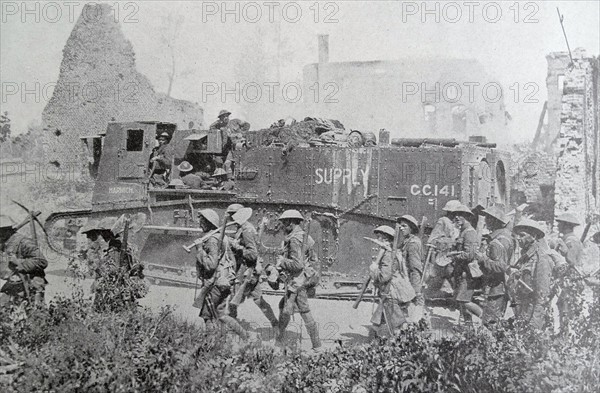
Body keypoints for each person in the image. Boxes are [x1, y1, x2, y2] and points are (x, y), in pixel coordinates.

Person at [194, 209, 249, 340]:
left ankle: (210, 344)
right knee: (221, 314)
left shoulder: (212, 240)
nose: (199, 223)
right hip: (224, 282)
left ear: (208, 223)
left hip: (215, 283)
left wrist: (200, 250)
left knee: (207, 315)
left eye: (201, 221)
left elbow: (211, 265)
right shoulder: (222, 238)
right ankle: (244, 335)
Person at [274, 209, 321, 350]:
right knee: (285, 307)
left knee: (303, 311)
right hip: (302, 280)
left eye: (284, 222)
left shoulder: (294, 239)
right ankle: (279, 341)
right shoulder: (302, 236)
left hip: (297, 281)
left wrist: (282, 261)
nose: (282, 225)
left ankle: (317, 345)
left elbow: (297, 264)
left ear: (291, 222)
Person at [228, 207, 279, 328]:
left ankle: (231, 325)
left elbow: (252, 254)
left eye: (232, 216)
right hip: (250, 271)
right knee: (258, 300)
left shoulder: (247, 230)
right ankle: (275, 323)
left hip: (246, 271)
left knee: (233, 298)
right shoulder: (244, 228)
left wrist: (235, 246)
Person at [92, 216, 147, 312]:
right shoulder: (119, 247)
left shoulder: (118, 248)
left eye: (104, 232)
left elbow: (113, 269)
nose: (102, 235)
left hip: (118, 288)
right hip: (118, 287)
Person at [475, 206, 514, 326]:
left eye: (488, 218)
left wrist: (482, 259)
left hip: (496, 288)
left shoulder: (498, 241)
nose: (486, 221)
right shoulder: (505, 236)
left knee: (490, 323)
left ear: (494, 220)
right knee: (493, 322)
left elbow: (501, 266)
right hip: (499, 287)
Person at [369, 225, 411, 336]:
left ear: (385, 239)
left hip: (390, 292)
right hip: (392, 291)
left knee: (396, 324)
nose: (377, 240)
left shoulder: (388, 255)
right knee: (382, 318)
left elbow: (385, 277)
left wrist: (374, 271)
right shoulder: (393, 252)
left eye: (379, 237)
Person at [511, 219, 552, 330]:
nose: (518, 238)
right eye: (517, 235)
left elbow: (542, 294)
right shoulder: (525, 256)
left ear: (533, 236)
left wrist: (535, 322)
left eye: (522, 235)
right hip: (522, 309)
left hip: (532, 311)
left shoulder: (541, 258)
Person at [0, 215, 48, 307]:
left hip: (31, 282)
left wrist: (19, 262)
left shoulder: (24, 242)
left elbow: (42, 261)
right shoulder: (4, 242)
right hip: (14, 282)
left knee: (36, 313)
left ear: (6, 230)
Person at [553, 212, 585, 333]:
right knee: (563, 306)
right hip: (568, 280)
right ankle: (564, 334)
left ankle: (566, 338)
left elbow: (572, 261)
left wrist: (565, 251)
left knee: (567, 308)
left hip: (572, 280)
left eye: (560, 224)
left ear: (566, 225)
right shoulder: (566, 239)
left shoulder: (571, 241)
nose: (558, 226)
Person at [451, 204, 483, 323]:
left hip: (467, 273)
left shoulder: (469, 232)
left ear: (467, 217)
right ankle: (467, 325)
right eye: (455, 215)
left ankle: (485, 318)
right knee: (460, 300)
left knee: (464, 301)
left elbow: (470, 255)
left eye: (460, 215)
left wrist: (454, 257)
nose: (457, 217)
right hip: (461, 271)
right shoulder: (463, 231)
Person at [424, 200, 461, 299]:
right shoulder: (443, 221)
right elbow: (432, 239)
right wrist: (449, 241)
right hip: (443, 255)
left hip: (452, 254)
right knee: (448, 275)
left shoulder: (454, 222)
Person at [397, 215, 424, 322]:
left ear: (411, 228)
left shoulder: (412, 244)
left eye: (404, 226)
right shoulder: (407, 241)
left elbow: (415, 268)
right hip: (406, 279)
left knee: (414, 312)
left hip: (411, 281)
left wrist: (416, 289)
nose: (401, 228)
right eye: (400, 226)